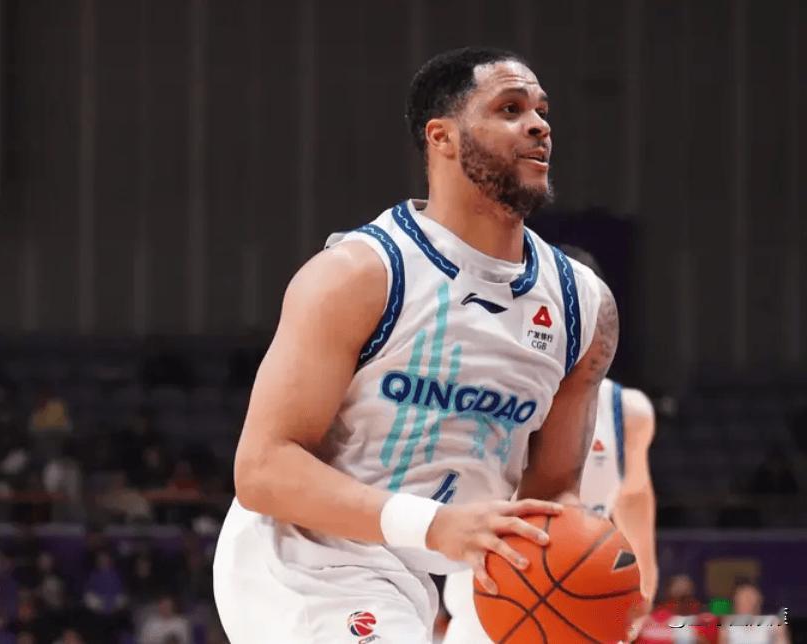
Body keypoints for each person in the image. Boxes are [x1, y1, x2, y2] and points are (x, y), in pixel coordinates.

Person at [213, 46, 618, 643]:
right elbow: (262, 470)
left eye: (541, 110)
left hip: (432, 569)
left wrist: (584, 569)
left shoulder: (585, 306)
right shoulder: (359, 274)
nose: (538, 125)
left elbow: (551, 494)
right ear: (441, 137)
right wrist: (433, 524)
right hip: (305, 557)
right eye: (510, 108)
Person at [441, 369, 658, 642]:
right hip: (485, 623)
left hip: (592, 620)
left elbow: (634, 493)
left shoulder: (626, 412)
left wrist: (645, 579)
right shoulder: (474, 392)